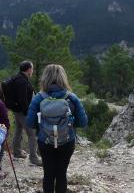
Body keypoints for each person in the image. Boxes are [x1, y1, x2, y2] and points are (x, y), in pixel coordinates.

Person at [26, 64, 88, 193]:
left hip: (45, 142)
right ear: (63, 78)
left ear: (45, 78)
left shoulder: (39, 98)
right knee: (61, 174)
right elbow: (83, 122)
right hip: (67, 141)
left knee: (48, 174)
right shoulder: (71, 97)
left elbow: (30, 123)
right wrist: (69, 121)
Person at [10, 60, 42, 165]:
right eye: (32, 69)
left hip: (16, 110)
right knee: (32, 133)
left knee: (18, 129)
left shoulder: (16, 78)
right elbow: (23, 100)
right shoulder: (23, 81)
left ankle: (17, 151)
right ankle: (34, 158)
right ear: (28, 69)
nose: (32, 71)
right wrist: (28, 113)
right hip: (23, 112)